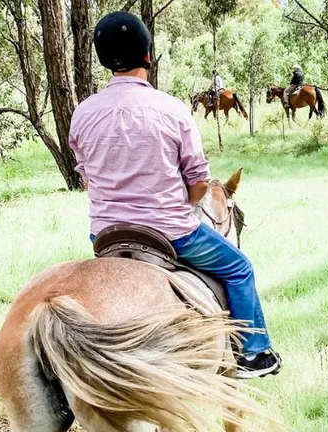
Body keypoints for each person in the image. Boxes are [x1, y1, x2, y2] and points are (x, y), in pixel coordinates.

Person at [70, 12, 281, 379]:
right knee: (239, 267)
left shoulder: (82, 113)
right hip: (170, 232)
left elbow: (87, 176)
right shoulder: (171, 109)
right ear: (148, 56)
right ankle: (253, 352)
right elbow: (199, 183)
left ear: (104, 59)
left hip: (105, 237)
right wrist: (175, 204)